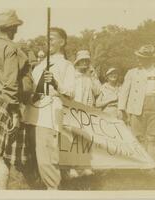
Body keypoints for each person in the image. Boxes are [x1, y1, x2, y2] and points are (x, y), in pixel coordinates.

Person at [0, 10, 33, 190]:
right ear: (11, 27)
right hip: (7, 102)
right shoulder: (10, 48)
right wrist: (14, 112)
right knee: (7, 152)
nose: (17, 30)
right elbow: (10, 82)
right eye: (15, 27)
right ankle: (2, 191)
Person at [23, 27, 75, 190]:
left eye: (52, 38)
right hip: (30, 115)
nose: (48, 42)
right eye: (47, 39)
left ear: (62, 42)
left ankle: (54, 191)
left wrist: (55, 83)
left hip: (48, 118)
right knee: (28, 159)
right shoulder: (38, 66)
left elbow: (71, 94)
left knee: (47, 161)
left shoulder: (66, 65)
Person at [118, 44, 155, 162]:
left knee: (152, 137)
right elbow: (124, 91)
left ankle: (150, 164)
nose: (138, 59)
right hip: (136, 107)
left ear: (149, 59)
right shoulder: (132, 73)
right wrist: (121, 108)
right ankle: (140, 163)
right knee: (138, 137)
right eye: (138, 57)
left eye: (142, 57)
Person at [68, 50, 101, 178]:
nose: (85, 63)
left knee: (86, 139)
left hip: (87, 111)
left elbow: (97, 92)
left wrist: (93, 76)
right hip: (74, 111)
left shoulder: (90, 77)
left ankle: (85, 166)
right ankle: (72, 167)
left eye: (87, 61)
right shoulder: (72, 76)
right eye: (82, 60)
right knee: (73, 139)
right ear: (78, 62)